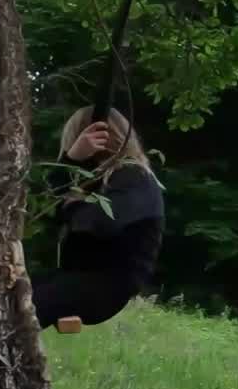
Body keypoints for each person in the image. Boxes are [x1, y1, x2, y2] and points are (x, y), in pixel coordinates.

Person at [32, 106, 164, 329]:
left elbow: (98, 223)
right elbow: (46, 208)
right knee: (3, 294)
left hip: (104, 287)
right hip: (75, 279)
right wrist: (71, 160)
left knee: (13, 309)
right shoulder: (101, 180)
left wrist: (71, 206)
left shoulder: (136, 177)